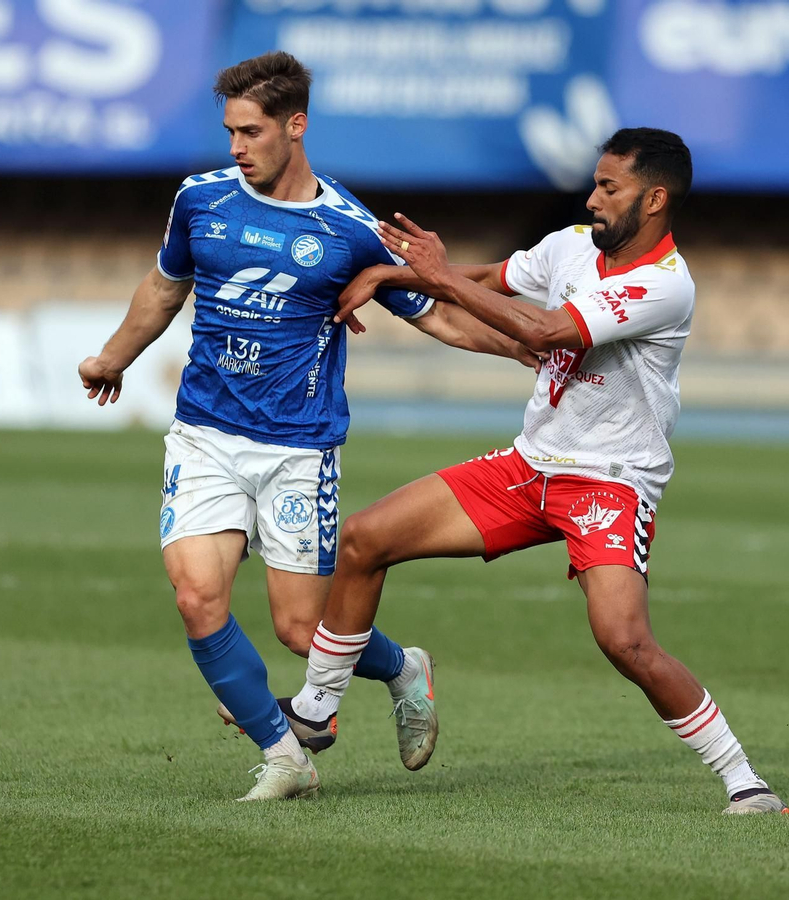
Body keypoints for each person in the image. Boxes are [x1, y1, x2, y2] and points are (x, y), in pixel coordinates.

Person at [284, 128, 788, 814]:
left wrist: (431, 275)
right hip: (528, 467)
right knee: (364, 538)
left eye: (611, 188)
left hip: (609, 482)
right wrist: (396, 276)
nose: (594, 197)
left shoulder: (665, 287)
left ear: (656, 199)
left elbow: (545, 333)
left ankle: (744, 780)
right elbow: (494, 280)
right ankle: (317, 709)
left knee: (625, 641)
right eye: (596, 182)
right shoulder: (575, 243)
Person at [78, 52, 534, 801]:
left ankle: (403, 667)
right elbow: (165, 287)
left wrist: (523, 345)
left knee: (301, 630)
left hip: (297, 448)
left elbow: (442, 317)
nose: (236, 147)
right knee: (197, 597)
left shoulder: (351, 228)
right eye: (229, 131)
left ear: (296, 125)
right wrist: (112, 358)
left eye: (251, 132)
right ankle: (285, 757)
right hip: (205, 434)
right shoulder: (200, 200)